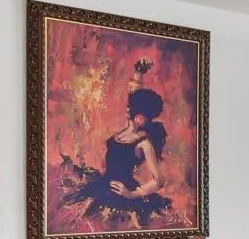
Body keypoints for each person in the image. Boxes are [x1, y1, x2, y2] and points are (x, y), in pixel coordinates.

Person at [63, 88, 172, 228]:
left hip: (120, 196)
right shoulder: (122, 133)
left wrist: (132, 194)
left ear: (140, 117)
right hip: (102, 186)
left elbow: (159, 181)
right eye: (129, 106)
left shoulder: (144, 143)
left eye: (131, 107)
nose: (127, 109)